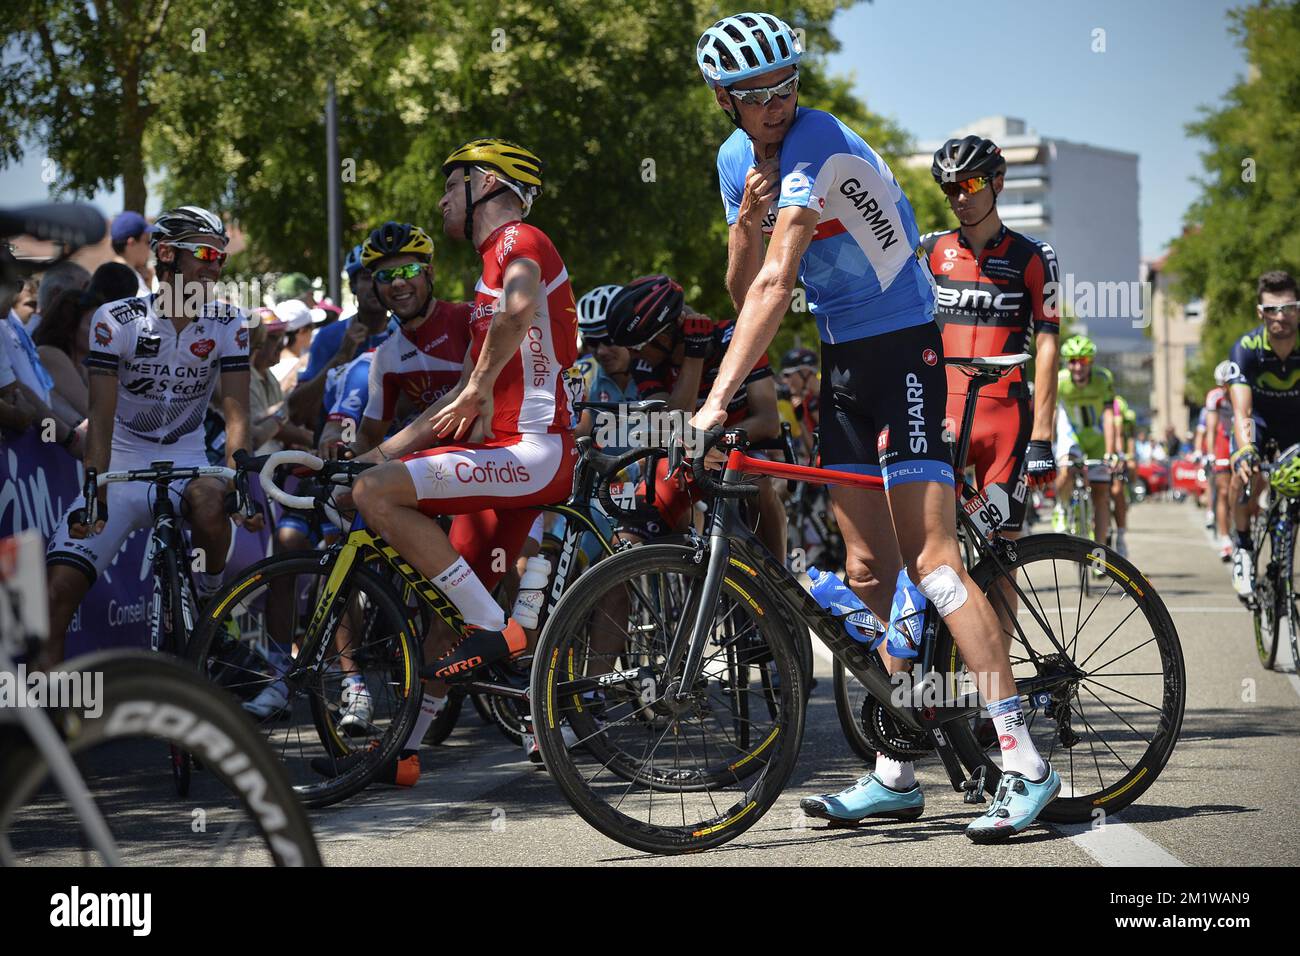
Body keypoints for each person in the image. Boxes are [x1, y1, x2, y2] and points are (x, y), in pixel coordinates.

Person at [690, 11, 1056, 841]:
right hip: (842, 357)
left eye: (785, 84)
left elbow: (780, 283)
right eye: (755, 94)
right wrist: (741, 218)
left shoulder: (816, 140)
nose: (776, 105)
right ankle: (896, 769)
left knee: (933, 565)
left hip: (906, 348)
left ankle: (1025, 761)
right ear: (725, 100)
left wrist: (715, 400)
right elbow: (741, 278)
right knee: (863, 567)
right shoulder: (735, 159)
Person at [343, 140, 576, 785]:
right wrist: (374, 454)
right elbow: (454, 401)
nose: (442, 199)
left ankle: (494, 629)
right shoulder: (484, 271)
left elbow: (522, 305)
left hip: (532, 450)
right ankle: (405, 748)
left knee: (377, 497)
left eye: (451, 186)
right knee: (443, 600)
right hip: (500, 455)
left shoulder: (518, 239)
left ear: (485, 184)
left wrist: (477, 385)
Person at [43, 204, 259, 667]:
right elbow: (100, 417)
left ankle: (210, 602)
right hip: (121, 464)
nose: (214, 265)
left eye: (220, 256)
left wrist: (238, 478)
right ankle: (46, 728)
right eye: (203, 252)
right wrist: (94, 484)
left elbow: (238, 415)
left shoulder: (229, 323)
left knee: (208, 504)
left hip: (188, 461)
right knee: (55, 597)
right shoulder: (116, 320)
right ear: (165, 255)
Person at [922, 135, 1060, 540]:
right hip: (940, 411)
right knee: (931, 544)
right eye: (950, 188)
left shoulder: (1034, 256)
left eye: (969, 185)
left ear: (997, 183)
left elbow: (1048, 345)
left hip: (1005, 418)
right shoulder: (930, 249)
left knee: (1002, 550)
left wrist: (1043, 436)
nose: (960, 198)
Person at [1227, 270, 1300, 598]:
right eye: (1272, 309)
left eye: (1288, 308)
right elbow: (1242, 411)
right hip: (1258, 420)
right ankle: (1242, 546)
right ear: (1261, 312)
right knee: (1243, 474)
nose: (1280, 316)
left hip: (1295, 424)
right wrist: (1245, 450)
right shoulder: (1246, 348)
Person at [289, 243, 397, 428]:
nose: (374, 285)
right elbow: (296, 411)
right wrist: (342, 356)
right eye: (365, 277)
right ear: (353, 286)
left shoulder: (404, 333)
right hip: (336, 444)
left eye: (382, 276)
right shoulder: (328, 336)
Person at [1052, 334, 1118, 545]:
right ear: (1066, 363)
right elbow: (1052, 414)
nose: (1078, 367)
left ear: (1092, 362)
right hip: (1073, 435)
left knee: (1102, 495)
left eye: (1084, 361)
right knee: (1065, 471)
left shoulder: (1103, 379)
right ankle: (1061, 506)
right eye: (1072, 361)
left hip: (1097, 437)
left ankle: (1100, 555)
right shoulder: (1060, 381)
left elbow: (1109, 416)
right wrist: (1050, 444)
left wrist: (1110, 450)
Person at [248, 308, 315, 454]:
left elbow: (281, 419)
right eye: (272, 338)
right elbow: (263, 428)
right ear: (255, 341)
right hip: (256, 466)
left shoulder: (268, 374)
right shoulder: (244, 378)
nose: (281, 345)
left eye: (281, 338)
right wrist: (312, 439)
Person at [1202, 360, 1236, 560]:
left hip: (1242, 439)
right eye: (1222, 385)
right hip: (1224, 441)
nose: (1226, 389)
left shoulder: (1247, 391)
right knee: (1223, 491)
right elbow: (1212, 428)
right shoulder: (1215, 397)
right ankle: (1225, 539)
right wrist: (1211, 453)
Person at [1108, 394, 1138, 557]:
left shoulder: (1119, 406)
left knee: (1117, 491)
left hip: (1117, 451)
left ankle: (1120, 536)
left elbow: (1126, 436)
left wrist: (1128, 455)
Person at [110, 211, 154, 295]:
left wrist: (148, 284)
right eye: (147, 242)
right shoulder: (123, 279)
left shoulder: (111, 273)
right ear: (132, 243)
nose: (150, 247)